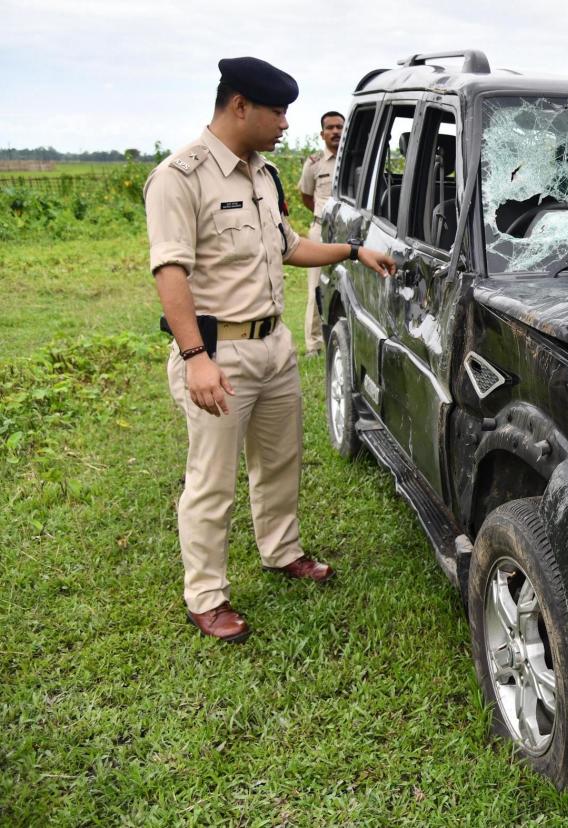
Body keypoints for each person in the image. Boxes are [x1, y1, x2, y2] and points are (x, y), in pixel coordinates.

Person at [144, 57, 396, 643]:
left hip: (273, 346)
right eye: (277, 111)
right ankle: (206, 594)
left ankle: (281, 550)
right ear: (239, 106)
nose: (287, 123)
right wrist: (194, 358)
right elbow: (170, 272)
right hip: (220, 355)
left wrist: (352, 251)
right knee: (212, 479)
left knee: (279, 462)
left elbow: (288, 246)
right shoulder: (180, 177)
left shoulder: (263, 174)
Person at [297, 111, 345, 356]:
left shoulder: (354, 159)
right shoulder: (314, 162)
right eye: (330, 128)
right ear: (322, 133)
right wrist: (322, 216)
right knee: (315, 285)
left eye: (339, 127)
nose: (335, 132)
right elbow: (306, 195)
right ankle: (314, 344)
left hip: (348, 230)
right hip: (321, 230)